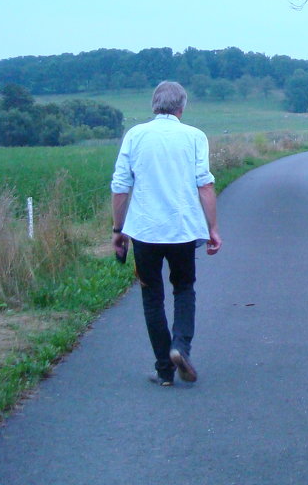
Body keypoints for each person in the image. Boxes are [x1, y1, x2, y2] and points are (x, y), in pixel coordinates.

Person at [110, 81, 222, 386]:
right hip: (183, 230)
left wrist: (119, 230)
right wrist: (212, 227)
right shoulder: (195, 137)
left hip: (145, 231)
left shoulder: (135, 135)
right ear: (181, 108)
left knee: (152, 296)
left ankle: (164, 370)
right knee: (184, 289)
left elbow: (120, 187)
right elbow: (205, 184)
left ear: (153, 106)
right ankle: (180, 347)